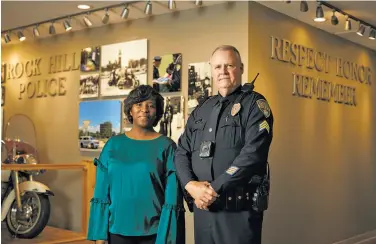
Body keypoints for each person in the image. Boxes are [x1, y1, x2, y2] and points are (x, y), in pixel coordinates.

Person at [174, 45, 274, 244]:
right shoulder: (202, 109)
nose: (223, 72)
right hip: (204, 210)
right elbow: (181, 152)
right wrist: (190, 185)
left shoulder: (255, 105)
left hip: (237, 212)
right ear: (212, 70)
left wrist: (212, 189)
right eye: (218, 67)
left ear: (241, 68)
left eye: (229, 65)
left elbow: (252, 155)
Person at [87, 85, 186, 244]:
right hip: (116, 230)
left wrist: (167, 237)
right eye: (139, 104)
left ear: (157, 112)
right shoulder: (113, 145)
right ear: (130, 110)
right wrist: (99, 235)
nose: (144, 109)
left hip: (154, 233)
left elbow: (173, 197)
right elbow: (101, 192)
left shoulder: (167, 146)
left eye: (151, 105)